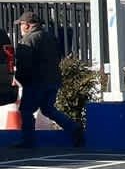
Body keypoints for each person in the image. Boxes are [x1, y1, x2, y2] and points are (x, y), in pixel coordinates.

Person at [11, 10, 84, 148]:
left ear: (27, 25)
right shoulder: (49, 37)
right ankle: (74, 128)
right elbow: (58, 56)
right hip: (53, 80)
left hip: (35, 82)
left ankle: (28, 140)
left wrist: (20, 78)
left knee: (26, 111)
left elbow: (23, 64)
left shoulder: (27, 40)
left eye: (21, 24)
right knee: (48, 109)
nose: (20, 27)